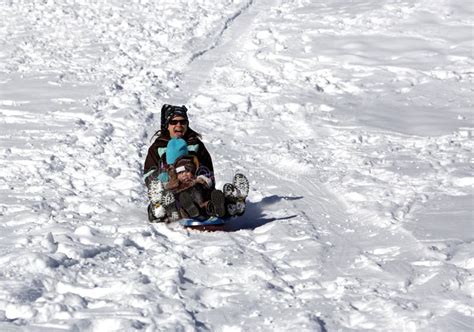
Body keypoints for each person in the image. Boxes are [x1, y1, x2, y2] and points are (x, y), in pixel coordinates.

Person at [143, 104, 249, 222]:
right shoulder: (157, 147)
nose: (179, 125)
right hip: (169, 192)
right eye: (174, 122)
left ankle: (231, 204)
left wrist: (200, 179)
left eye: (183, 122)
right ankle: (162, 209)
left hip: (197, 189)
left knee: (201, 195)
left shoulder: (195, 144)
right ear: (167, 125)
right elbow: (149, 175)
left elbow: (207, 169)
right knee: (164, 203)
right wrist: (166, 177)